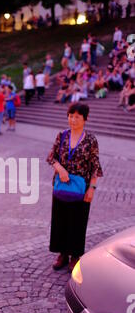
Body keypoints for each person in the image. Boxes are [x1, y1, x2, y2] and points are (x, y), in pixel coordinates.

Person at [47, 103, 103, 272]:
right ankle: (62, 254)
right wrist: (60, 169)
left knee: (78, 222)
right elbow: (51, 157)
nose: (73, 119)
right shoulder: (62, 135)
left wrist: (92, 188)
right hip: (61, 186)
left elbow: (95, 166)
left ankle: (75, 255)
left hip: (81, 188)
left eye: (77, 116)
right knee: (60, 220)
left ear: (85, 119)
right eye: (71, 116)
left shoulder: (90, 140)